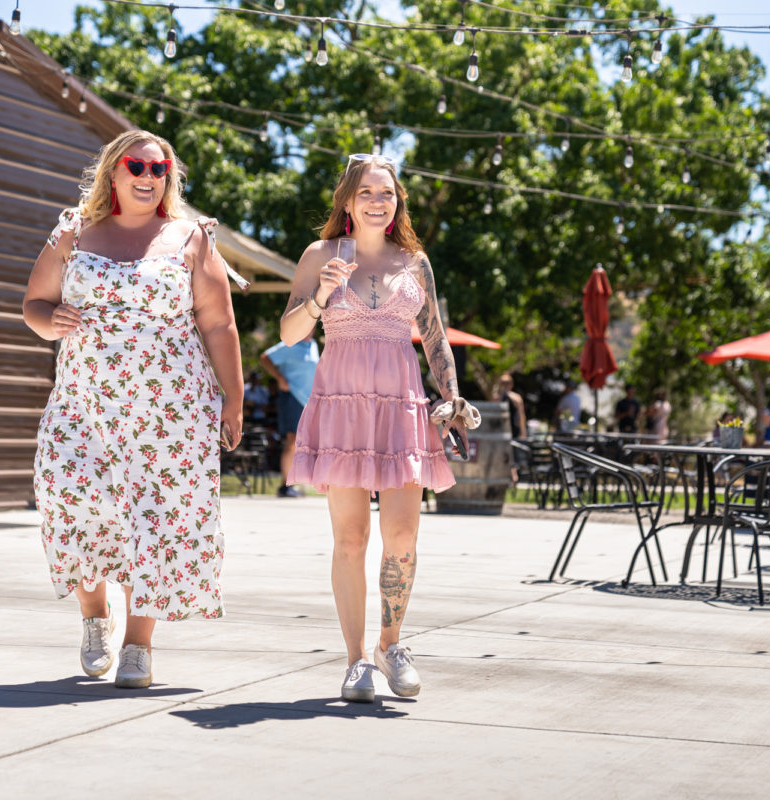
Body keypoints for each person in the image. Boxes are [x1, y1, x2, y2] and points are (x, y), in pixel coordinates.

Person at [23, 130, 243, 689]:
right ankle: (94, 616)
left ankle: (139, 645)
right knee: (72, 499)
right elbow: (34, 303)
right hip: (84, 403)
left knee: (156, 517)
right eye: (136, 166)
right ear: (112, 173)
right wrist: (51, 322)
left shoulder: (191, 238)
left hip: (170, 414)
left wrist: (233, 398)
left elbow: (218, 323)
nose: (148, 177)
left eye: (159, 167)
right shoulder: (73, 231)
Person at [278, 153, 476, 703]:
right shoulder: (320, 254)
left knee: (403, 536)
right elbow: (291, 333)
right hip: (341, 406)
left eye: (386, 193)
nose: (376, 201)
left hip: (401, 406)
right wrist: (321, 294)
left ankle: (392, 644)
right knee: (350, 538)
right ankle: (356, 660)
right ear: (346, 199)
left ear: (397, 202)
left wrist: (452, 398)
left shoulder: (414, 261)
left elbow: (436, 338)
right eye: (366, 192)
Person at [260, 333, 319, 497]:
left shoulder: (312, 345)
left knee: (303, 444)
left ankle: (295, 483)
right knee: (292, 441)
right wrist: (279, 378)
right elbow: (264, 357)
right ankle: (285, 485)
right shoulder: (291, 343)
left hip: (307, 400)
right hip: (292, 397)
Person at [496, 373, 528, 439]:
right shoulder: (496, 398)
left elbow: (521, 416)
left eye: (506, 383)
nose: (504, 385)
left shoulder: (517, 398)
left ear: (511, 384)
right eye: (503, 383)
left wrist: (523, 432)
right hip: (499, 431)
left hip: (513, 431)